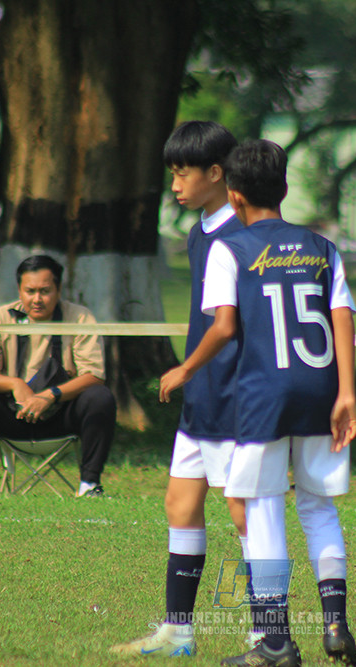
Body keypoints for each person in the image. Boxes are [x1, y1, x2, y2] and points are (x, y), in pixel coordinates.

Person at [160, 139, 356, 667]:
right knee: (319, 506)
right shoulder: (322, 246)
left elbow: (224, 325)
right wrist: (346, 392)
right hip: (322, 391)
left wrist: (185, 367)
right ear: (287, 188)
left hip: (263, 397)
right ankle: (336, 623)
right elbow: (342, 316)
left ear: (233, 193)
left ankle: (275, 641)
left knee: (263, 507)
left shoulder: (232, 249)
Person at [111, 121, 252, 657]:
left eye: (183, 173)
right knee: (180, 503)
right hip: (201, 397)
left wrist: (187, 369)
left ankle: (267, 632)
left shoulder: (240, 236)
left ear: (216, 174)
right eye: (172, 173)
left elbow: (231, 323)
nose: (175, 183)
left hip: (231, 393)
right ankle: (178, 631)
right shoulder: (200, 231)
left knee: (243, 510)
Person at [0, 255, 116, 497]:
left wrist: (50, 396)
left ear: (59, 290)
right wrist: (15, 384)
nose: (37, 299)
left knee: (100, 397)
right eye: (30, 291)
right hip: (11, 414)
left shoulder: (80, 318)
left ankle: (90, 485)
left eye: (45, 291)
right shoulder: (0, 318)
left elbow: (95, 376)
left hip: (61, 415)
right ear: (19, 290)